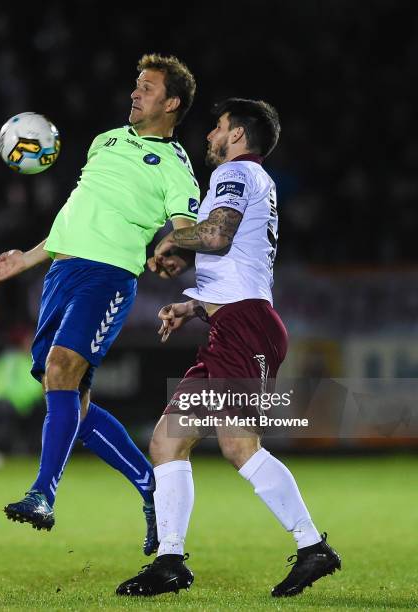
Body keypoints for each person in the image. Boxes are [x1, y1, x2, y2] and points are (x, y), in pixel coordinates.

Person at [116, 98, 341, 597]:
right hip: (234, 325)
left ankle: (309, 547)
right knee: (169, 440)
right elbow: (239, 262)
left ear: (237, 136)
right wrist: (194, 306)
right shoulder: (251, 181)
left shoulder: (236, 175)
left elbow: (217, 236)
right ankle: (172, 561)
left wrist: (171, 238)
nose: (211, 135)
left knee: (235, 446)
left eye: (218, 127)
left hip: (245, 329)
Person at [0, 54, 199, 555]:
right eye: (135, 85)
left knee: (61, 367)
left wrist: (174, 252)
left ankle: (43, 493)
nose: (134, 94)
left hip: (109, 275)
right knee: (70, 398)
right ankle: (150, 486)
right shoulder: (106, 141)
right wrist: (28, 258)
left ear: (171, 103)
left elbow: (187, 230)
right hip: (62, 273)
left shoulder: (174, 164)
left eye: (147, 88)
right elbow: (79, 208)